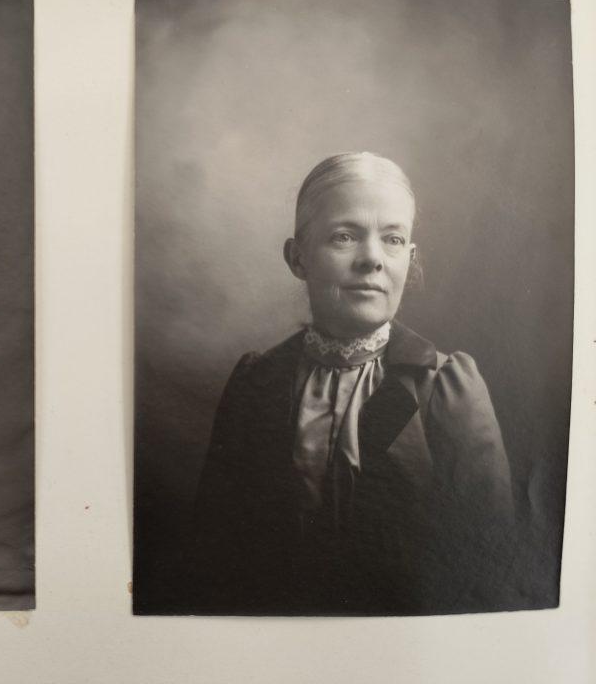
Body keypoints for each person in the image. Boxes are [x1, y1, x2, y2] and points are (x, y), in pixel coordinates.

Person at [187, 152, 514, 615]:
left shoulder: (444, 387)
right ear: (297, 258)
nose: (372, 260)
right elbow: (211, 553)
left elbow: (490, 562)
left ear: (410, 258)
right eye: (344, 236)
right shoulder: (256, 384)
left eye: (393, 239)